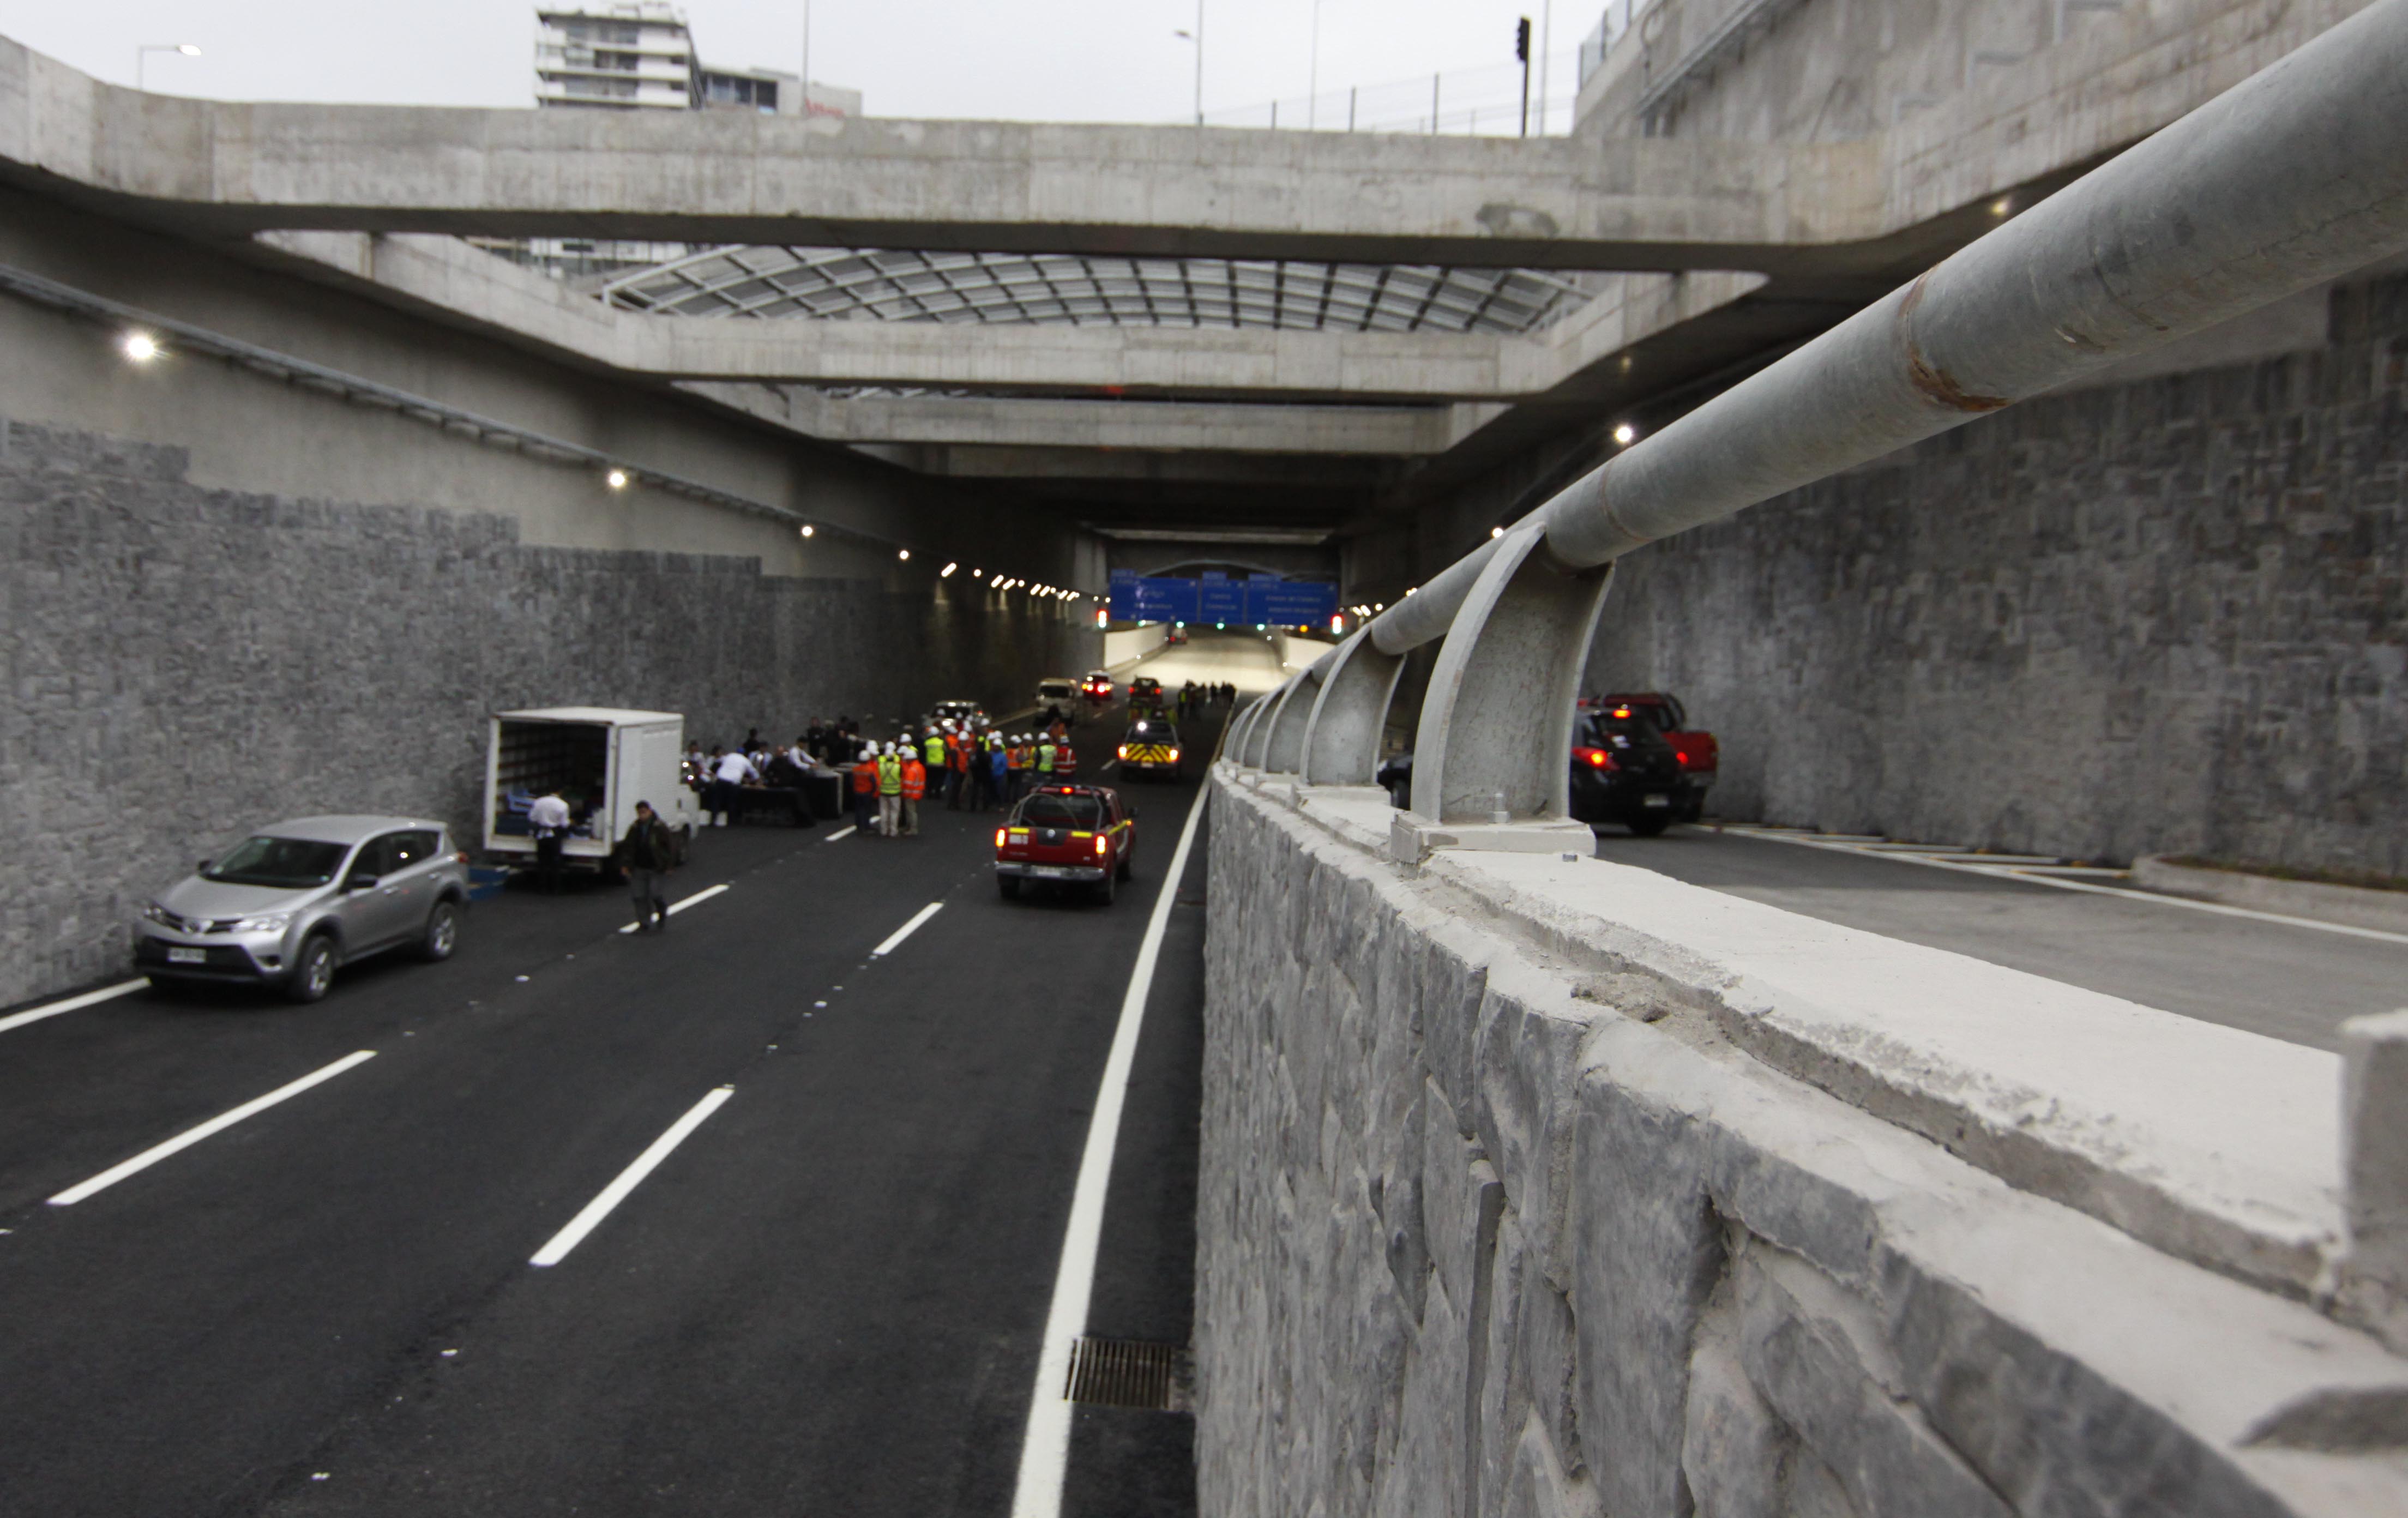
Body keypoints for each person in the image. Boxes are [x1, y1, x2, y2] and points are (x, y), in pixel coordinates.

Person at [615, 800, 681, 933]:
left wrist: (669, 865)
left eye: (644, 812)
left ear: (650, 811)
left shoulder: (659, 827)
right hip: (639, 867)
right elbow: (628, 847)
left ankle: (661, 910)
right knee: (639, 896)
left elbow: (670, 846)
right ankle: (644, 924)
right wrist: (626, 865)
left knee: (655, 894)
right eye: (640, 813)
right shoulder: (635, 828)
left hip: (656, 867)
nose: (642, 815)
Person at [527, 790, 571, 894]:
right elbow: (564, 824)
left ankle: (542, 887)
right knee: (555, 861)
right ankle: (555, 888)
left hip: (541, 833)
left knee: (542, 861)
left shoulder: (538, 802)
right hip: (555, 834)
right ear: (560, 793)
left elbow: (532, 818)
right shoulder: (563, 805)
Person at [709, 745, 758, 827]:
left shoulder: (729, 756)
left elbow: (721, 763)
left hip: (721, 779)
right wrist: (756, 779)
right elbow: (753, 773)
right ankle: (731, 821)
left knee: (717, 801)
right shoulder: (745, 760)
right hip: (733, 782)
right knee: (732, 802)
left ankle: (713, 819)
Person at [876, 742, 904, 838]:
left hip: (883, 791)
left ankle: (883, 831)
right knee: (894, 812)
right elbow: (901, 777)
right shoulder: (898, 767)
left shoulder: (881, 766)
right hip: (895, 792)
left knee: (884, 812)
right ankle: (893, 831)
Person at [851, 746, 879, 832]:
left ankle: (859, 826)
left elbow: (852, 781)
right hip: (867, 792)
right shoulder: (870, 770)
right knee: (867, 810)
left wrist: (855, 789)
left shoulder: (855, 770)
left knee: (858, 810)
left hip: (858, 792)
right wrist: (873, 791)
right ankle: (866, 826)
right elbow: (874, 782)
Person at [900, 746, 926, 837]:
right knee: (912, 811)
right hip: (918, 793)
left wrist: (904, 793)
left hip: (911, 794)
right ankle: (909, 827)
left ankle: (913, 829)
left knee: (911, 812)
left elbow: (908, 784)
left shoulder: (912, 770)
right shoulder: (920, 767)